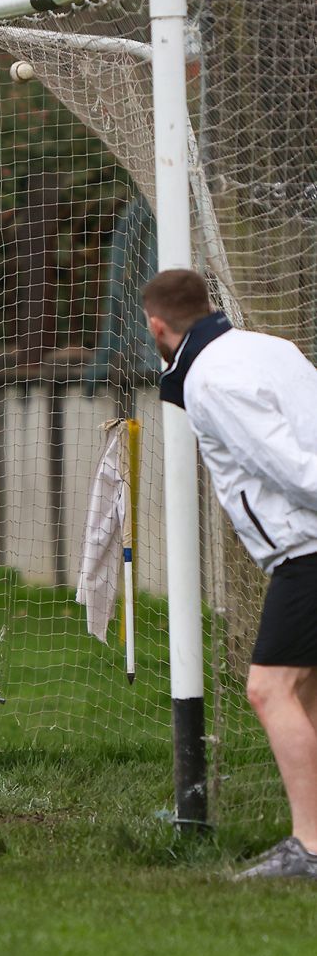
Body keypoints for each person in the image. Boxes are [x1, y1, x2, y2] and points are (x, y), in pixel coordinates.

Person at [142, 268, 317, 879]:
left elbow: (294, 467)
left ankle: (311, 849)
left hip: (307, 550)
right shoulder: (274, 348)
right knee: (302, 691)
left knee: (268, 690)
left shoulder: (212, 378)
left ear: (158, 326)